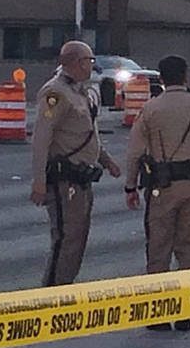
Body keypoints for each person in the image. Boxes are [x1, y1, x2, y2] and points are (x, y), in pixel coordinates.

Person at [124, 55, 190, 331]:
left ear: (161, 78)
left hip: (162, 185)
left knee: (159, 247)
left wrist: (130, 186)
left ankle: (158, 312)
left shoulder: (151, 108)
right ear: (184, 77)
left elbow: (135, 151)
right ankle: (186, 310)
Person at [30, 41, 121, 286]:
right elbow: (42, 137)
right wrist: (39, 180)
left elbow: (86, 133)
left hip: (82, 178)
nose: (91, 66)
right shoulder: (55, 93)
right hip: (64, 179)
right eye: (87, 61)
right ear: (70, 63)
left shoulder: (81, 92)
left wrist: (107, 160)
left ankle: (65, 288)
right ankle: (50, 296)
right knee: (65, 239)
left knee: (78, 239)